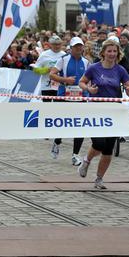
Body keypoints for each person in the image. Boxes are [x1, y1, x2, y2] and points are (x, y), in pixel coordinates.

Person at [77, 39, 129, 189]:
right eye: (109, 51)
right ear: (103, 53)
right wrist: (89, 89)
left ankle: (99, 178)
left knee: (108, 148)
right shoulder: (94, 68)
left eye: (114, 51)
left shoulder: (120, 70)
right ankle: (87, 160)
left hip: (114, 112)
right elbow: (81, 82)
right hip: (96, 111)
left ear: (118, 53)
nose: (112, 54)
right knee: (99, 143)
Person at [49, 37, 89, 166]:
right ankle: (57, 141)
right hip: (64, 96)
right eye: (76, 46)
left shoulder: (86, 62)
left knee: (80, 126)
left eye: (80, 46)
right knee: (63, 124)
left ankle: (75, 155)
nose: (78, 48)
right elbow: (52, 74)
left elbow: (90, 78)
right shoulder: (63, 60)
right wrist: (65, 80)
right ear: (71, 48)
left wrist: (89, 87)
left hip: (81, 97)